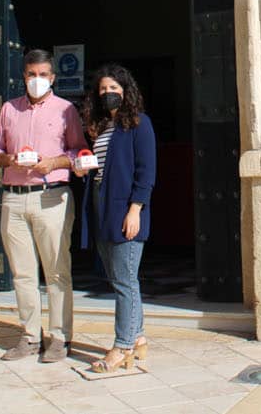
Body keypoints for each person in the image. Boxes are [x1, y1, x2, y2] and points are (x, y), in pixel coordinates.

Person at [0, 49, 87, 362]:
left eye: (43, 75)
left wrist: (55, 162)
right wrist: (5, 159)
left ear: (53, 78)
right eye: (31, 74)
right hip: (14, 197)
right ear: (24, 76)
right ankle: (30, 336)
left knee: (56, 271)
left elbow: (79, 151)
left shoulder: (66, 110)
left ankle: (59, 337)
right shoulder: (9, 109)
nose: (37, 80)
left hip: (51, 196)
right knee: (22, 273)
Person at [75, 64, 156, 373]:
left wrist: (136, 209)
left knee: (124, 282)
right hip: (101, 208)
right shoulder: (101, 128)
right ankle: (137, 338)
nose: (108, 94)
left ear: (126, 91)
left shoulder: (139, 124)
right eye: (103, 90)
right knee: (121, 279)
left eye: (114, 89)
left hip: (126, 211)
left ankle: (121, 346)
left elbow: (146, 172)